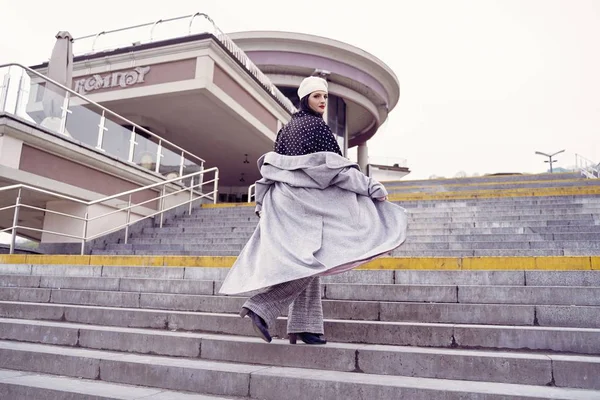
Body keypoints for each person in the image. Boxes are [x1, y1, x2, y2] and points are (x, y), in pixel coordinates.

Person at [219, 76, 407, 345]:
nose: (322, 101)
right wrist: (371, 188)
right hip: (303, 205)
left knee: (312, 258)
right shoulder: (317, 129)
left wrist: (262, 205)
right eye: (317, 96)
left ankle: (305, 327)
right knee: (313, 261)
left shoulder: (286, 129)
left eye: (325, 96)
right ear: (305, 98)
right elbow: (336, 170)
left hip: (283, 202)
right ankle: (261, 307)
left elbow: (278, 169)